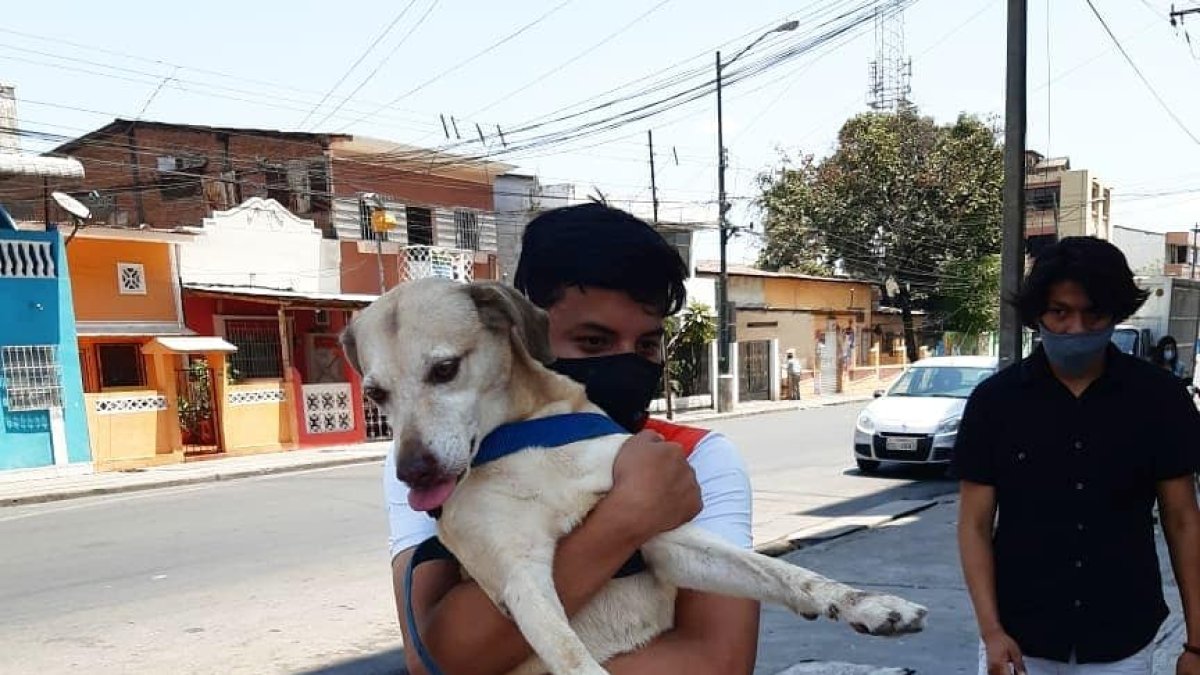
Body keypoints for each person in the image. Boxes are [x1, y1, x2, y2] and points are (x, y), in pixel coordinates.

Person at [385, 203, 758, 675]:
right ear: (521, 334)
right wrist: (625, 519)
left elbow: (717, 662)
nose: (627, 365)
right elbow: (435, 660)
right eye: (593, 343)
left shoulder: (696, 459)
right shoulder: (443, 461)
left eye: (646, 345)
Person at [954, 237, 1200, 675]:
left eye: (1094, 313)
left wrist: (1197, 644)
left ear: (1116, 314)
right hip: (1018, 645)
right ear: (1037, 315)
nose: (1076, 329)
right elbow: (974, 525)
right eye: (1060, 312)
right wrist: (991, 632)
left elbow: (1183, 520)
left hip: (1125, 644)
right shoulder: (995, 403)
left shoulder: (1159, 399)